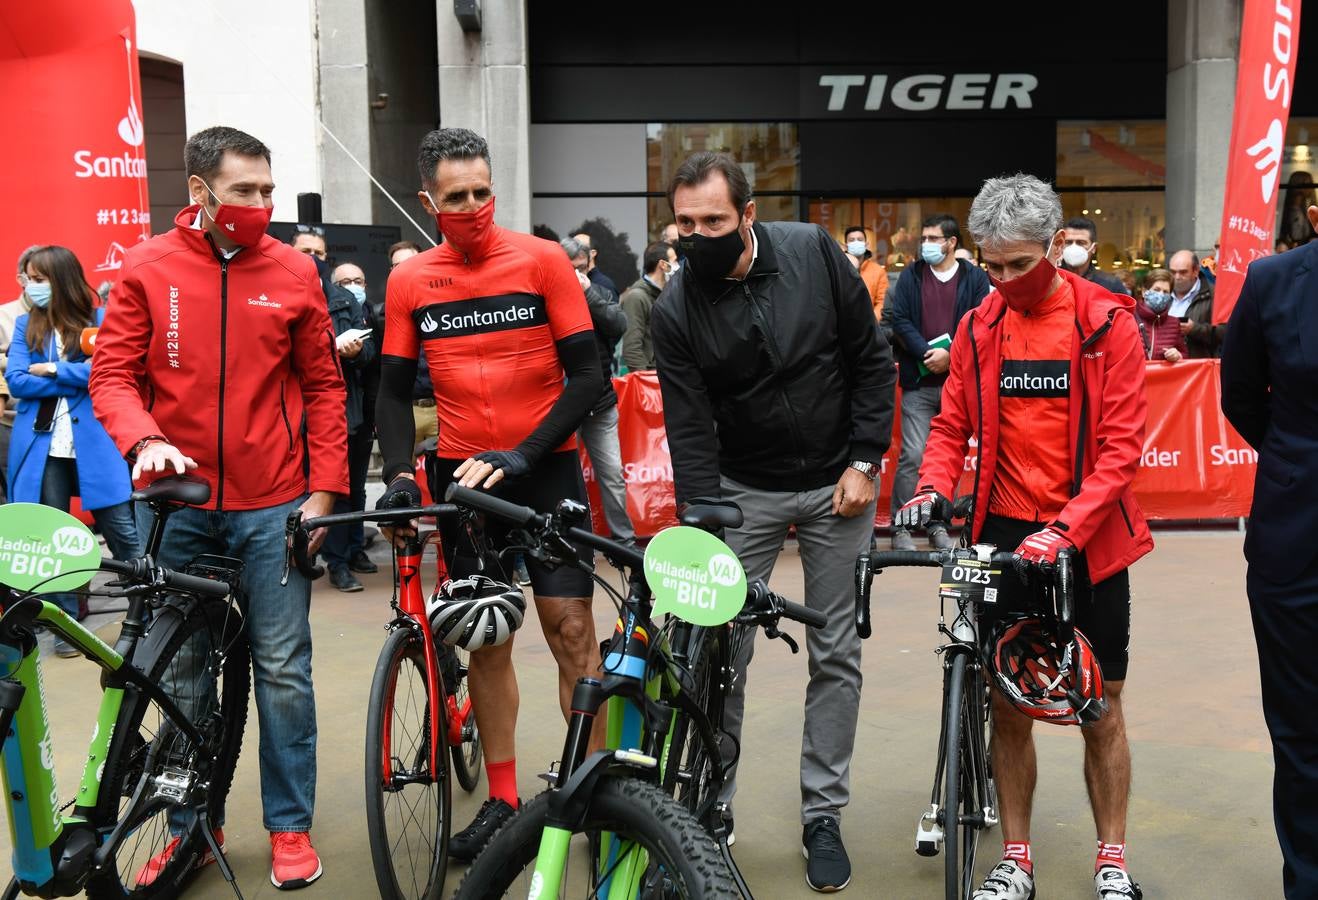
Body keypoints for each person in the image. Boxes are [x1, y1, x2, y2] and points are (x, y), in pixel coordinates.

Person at [90, 125, 347, 889]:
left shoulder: (296, 271)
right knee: (185, 674)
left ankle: (290, 828)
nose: (262, 204)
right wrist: (142, 441)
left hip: (274, 505)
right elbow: (112, 377)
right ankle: (191, 826)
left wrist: (324, 495)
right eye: (245, 192)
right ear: (200, 193)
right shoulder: (146, 266)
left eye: (268, 189)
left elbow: (327, 387)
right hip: (180, 506)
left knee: (282, 668)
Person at [896, 174, 1151, 900]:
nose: (1003, 280)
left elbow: (1122, 450)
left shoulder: (1108, 323)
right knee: (1007, 702)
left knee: (1100, 703)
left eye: (1018, 265)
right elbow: (950, 428)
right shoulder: (980, 325)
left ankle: (1112, 858)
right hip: (1005, 533)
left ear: (1054, 247)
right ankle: (1016, 857)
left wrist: (1066, 530)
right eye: (991, 263)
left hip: (1089, 536)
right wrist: (932, 486)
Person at [651, 151, 896, 893]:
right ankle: (708, 816)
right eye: (686, 223)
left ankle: (823, 815)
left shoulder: (814, 254)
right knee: (717, 655)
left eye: (714, 222)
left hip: (837, 485)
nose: (698, 236)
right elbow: (689, 428)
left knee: (836, 653)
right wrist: (707, 520)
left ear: (748, 216)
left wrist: (866, 459)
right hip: (742, 489)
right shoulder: (674, 308)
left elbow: (870, 360)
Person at [374, 127, 603, 859]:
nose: (471, 207)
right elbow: (386, 391)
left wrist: (523, 452)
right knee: (487, 636)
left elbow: (590, 377)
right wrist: (401, 473)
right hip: (466, 481)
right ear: (427, 202)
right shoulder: (411, 280)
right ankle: (503, 801)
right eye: (455, 198)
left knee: (571, 632)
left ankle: (590, 797)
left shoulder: (541, 262)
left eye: (482, 193)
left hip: (545, 469)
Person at [1222, 201, 1318, 898]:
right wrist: (1293, 462)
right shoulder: (1273, 281)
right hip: (1295, 537)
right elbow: (1239, 395)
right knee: (1301, 726)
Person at [7, 245, 141, 655]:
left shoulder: (101, 319)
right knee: (50, 535)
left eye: (40, 278)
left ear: (61, 279)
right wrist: (74, 376)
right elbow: (16, 380)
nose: (32, 286)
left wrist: (52, 370)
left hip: (96, 443)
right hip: (42, 444)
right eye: (29, 278)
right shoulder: (25, 324)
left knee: (121, 528)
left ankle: (148, 609)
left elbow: (106, 371)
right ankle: (65, 620)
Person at [888, 213, 991, 552]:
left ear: (951, 243)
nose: (927, 244)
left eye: (934, 238)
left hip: (957, 383)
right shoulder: (910, 277)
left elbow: (980, 317)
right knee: (913, 455)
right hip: (918, 381)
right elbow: (898, 319)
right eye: (925, 238)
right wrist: (926, 352)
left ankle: (937, 524)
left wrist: (950, 356)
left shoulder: (974, 277)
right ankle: (901, 529)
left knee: (947, 456)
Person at [561, 236, 637, 544]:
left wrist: (587, 293)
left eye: (583, 268)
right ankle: (569, 539)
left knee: (612, 475)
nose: (578, 274)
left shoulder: (599, 290)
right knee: (565, 478)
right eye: (572, 269)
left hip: (600, 400)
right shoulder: (546, 296)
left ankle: (625, 541)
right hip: (564, 404)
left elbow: (619, 326)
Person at [320, 260, 378, 591]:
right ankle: (336, 562)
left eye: (359, 280)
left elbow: (370, 353)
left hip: (357, 414)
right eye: (346, 280)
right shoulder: (312, 303)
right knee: (335, 490)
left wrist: (355, 353)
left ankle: (354, 550)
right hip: (326, 417)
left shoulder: (351, 306)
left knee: (355, 490)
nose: (353, 286)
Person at [0, 245, 41, 502]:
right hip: (8, 422)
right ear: (21, 279)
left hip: (54, 421)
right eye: (35, 279)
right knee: (14, 499)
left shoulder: (67, 319)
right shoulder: (4, 316)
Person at [619, 240, 678, 371]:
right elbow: (632, 349)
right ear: (663, 265)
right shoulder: (637, 297)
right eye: (674, 261)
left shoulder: (667, 294)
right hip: (651, 377)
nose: (677, 265)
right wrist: (645, 382)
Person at [1168, 249, 1222, 358]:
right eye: (1173, 272)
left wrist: (1194, 329)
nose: (1177, 277)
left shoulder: (1214, 296)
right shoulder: (1163, 294)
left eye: (1183, 272)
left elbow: (1225, 333)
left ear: (1196, 271)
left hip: (1198, 369)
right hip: (1166, 366)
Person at [1058, 216, 1128, 295]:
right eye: (1068, 242)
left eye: (1081, 242)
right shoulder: (1051, 280)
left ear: (1094, 248)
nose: (1074, 247)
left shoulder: (1111, 285)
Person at [1133, 268, 1185, 363]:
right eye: (1156, 289)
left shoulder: (1174, 323)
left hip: (1163, 377)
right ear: (1144, 292)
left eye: (1165, 292)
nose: (1161, 294)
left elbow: (1184, 354)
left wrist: (1177, 355)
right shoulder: (1130, 318)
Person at [843, 225, 890, 319]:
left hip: (871, 325)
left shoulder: (878, 271)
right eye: (852, 240)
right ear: (845, 246)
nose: (856, 242)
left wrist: (871, 322)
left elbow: (882, 301)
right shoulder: (839, 269)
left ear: (866, 244)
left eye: (860, 239)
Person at [571, 230, 619, 303]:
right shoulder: (569, 280)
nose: (573, 252)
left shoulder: (605, 285)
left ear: (592, 253)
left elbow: (612, 313)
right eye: (571, 248)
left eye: (580, 248)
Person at [1278, 171, 1316, 248]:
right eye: (1307, 185)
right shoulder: (1291, 210)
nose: (1310, 189)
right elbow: (1297, 233)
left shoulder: (1308, 205)